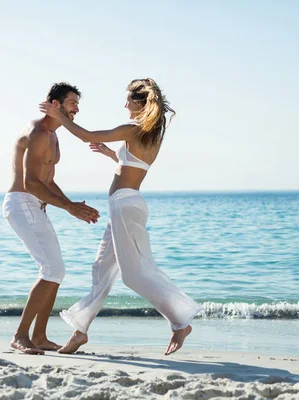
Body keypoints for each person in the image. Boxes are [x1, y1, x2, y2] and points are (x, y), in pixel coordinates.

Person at [39, 78, 202, 356]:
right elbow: (133, 167)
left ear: (140, 103)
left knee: (134, 275)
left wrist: (59, 117)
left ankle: (180, 321)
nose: (125, 104)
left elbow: (87, 135)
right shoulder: (148, 134)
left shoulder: (134, 129)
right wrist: (111, 155)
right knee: (102, 268)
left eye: (129, 100)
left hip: (126, 206)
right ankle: (80, 332)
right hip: (125, 205)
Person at [2, 82, 100, 355]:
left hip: (36, 205)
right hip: (22, 203)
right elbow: (31, 182)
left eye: (77, 104)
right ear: (55, 104)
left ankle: (40, 336)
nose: (76, 109)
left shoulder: (54, 137)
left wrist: (71, 204)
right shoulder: (37, 132)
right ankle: (20, 335)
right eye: (71, 103)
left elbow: (48, 181)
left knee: (56, 272)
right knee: (52, 270)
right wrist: (69, 209)